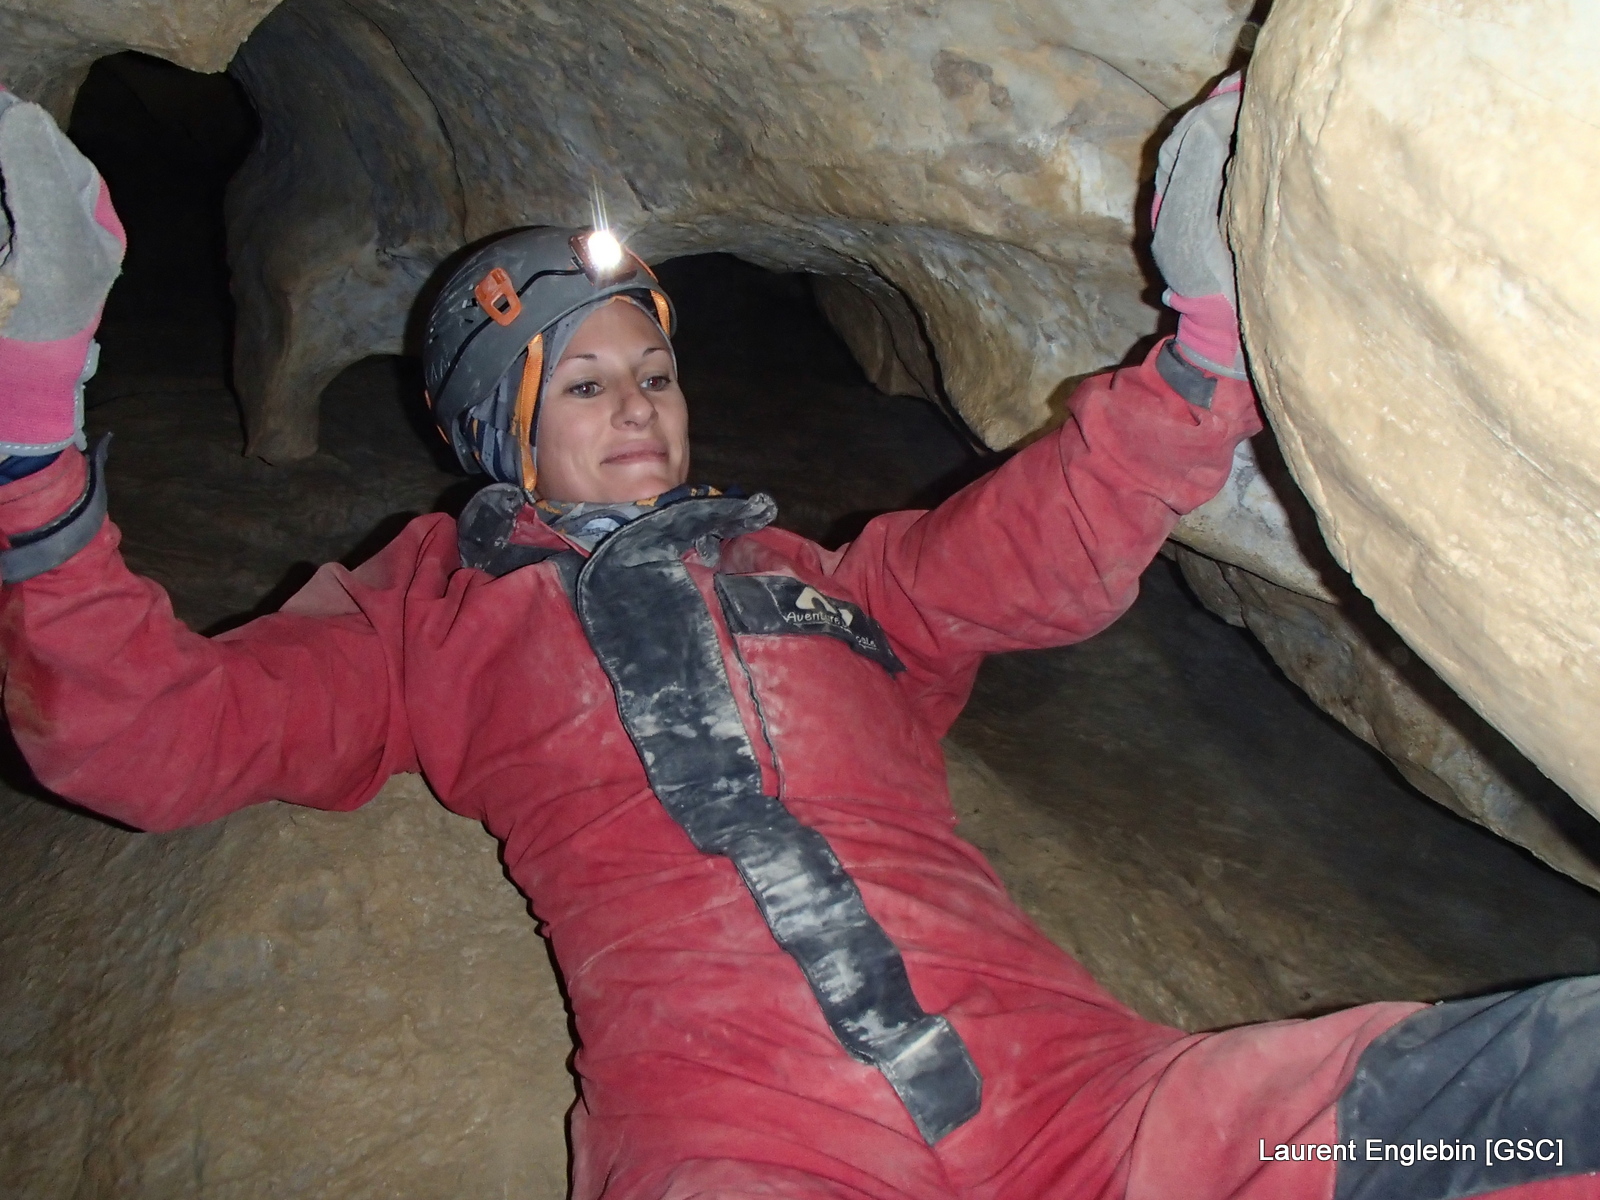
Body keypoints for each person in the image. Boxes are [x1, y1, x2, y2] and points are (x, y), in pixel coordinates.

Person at [0, 76, 1596, 1200]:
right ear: (497, 430)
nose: (642, 403)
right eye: (586, 383)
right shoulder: (429, 616)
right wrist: (32, 451)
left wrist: (1201, 362)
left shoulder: (823, 577)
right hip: (747, 1144)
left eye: (656, 373)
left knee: (1518, 1105)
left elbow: (1026, 553)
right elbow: (154, 736)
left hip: (1091, 1117)